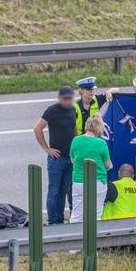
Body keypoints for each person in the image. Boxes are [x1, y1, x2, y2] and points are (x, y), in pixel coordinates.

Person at [33, 86, 77, 225]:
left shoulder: (73, 110)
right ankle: (53, 221)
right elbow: (37, 128)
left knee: (64, 190)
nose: (68, 101)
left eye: (70, 98)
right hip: (56, 159)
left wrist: (75, 149)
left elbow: (74, 128)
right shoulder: (52, 111)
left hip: (70, 158)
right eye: (65, 99)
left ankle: (59, 220)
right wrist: (47, 149)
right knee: (54, 191)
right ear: (59, 98)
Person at [69, 114, 113, 223]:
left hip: (79, 180)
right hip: (98, 181)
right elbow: (108, 165)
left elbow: (73, 160)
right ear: (99, 127)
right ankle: (94, 237)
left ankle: (75, 237)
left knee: (77, 214)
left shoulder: (76, 140)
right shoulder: (101, 143)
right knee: (96, 213)